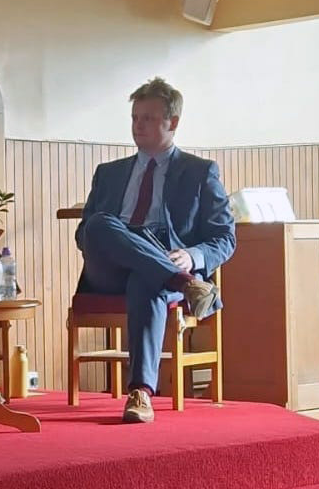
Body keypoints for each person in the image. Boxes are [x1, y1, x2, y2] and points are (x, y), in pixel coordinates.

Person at [75, 77, 235, 424]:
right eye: (134, 117)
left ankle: (141, 394)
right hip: (108, 263)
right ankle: (184, 282)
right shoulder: (109, 173)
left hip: (165, 254)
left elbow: (225, 237)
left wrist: (192, 256)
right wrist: (178, 270)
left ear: (172, 122)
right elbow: (83, 233)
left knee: (146, 279)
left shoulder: (199, 172)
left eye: (147, 118)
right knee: (100, 224)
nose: (137, 125)